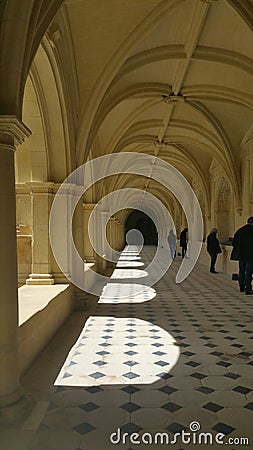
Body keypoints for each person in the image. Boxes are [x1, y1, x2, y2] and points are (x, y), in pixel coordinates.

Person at [230, 217, 253, 295]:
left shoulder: (240, 231)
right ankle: (248, 288)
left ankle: (241, 286)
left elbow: (234, 242)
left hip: (241, 255)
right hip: (250, 255)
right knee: (249, 271)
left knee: (241, 270)